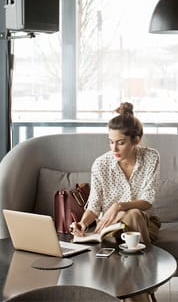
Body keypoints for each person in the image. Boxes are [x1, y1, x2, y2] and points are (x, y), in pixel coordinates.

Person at [69, 102, 161, 247]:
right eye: (111, 142)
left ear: (136, 140)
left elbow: (147, 199)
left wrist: (118, 206)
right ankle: (143, 265)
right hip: (111, 226)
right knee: (126, 218)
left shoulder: (151, 157)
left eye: (121, 143)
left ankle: (133, 262)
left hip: (144, 223)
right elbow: (94, 204)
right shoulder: (101, 164)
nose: (114, 148)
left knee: (133, 214)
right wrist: (83, 224)